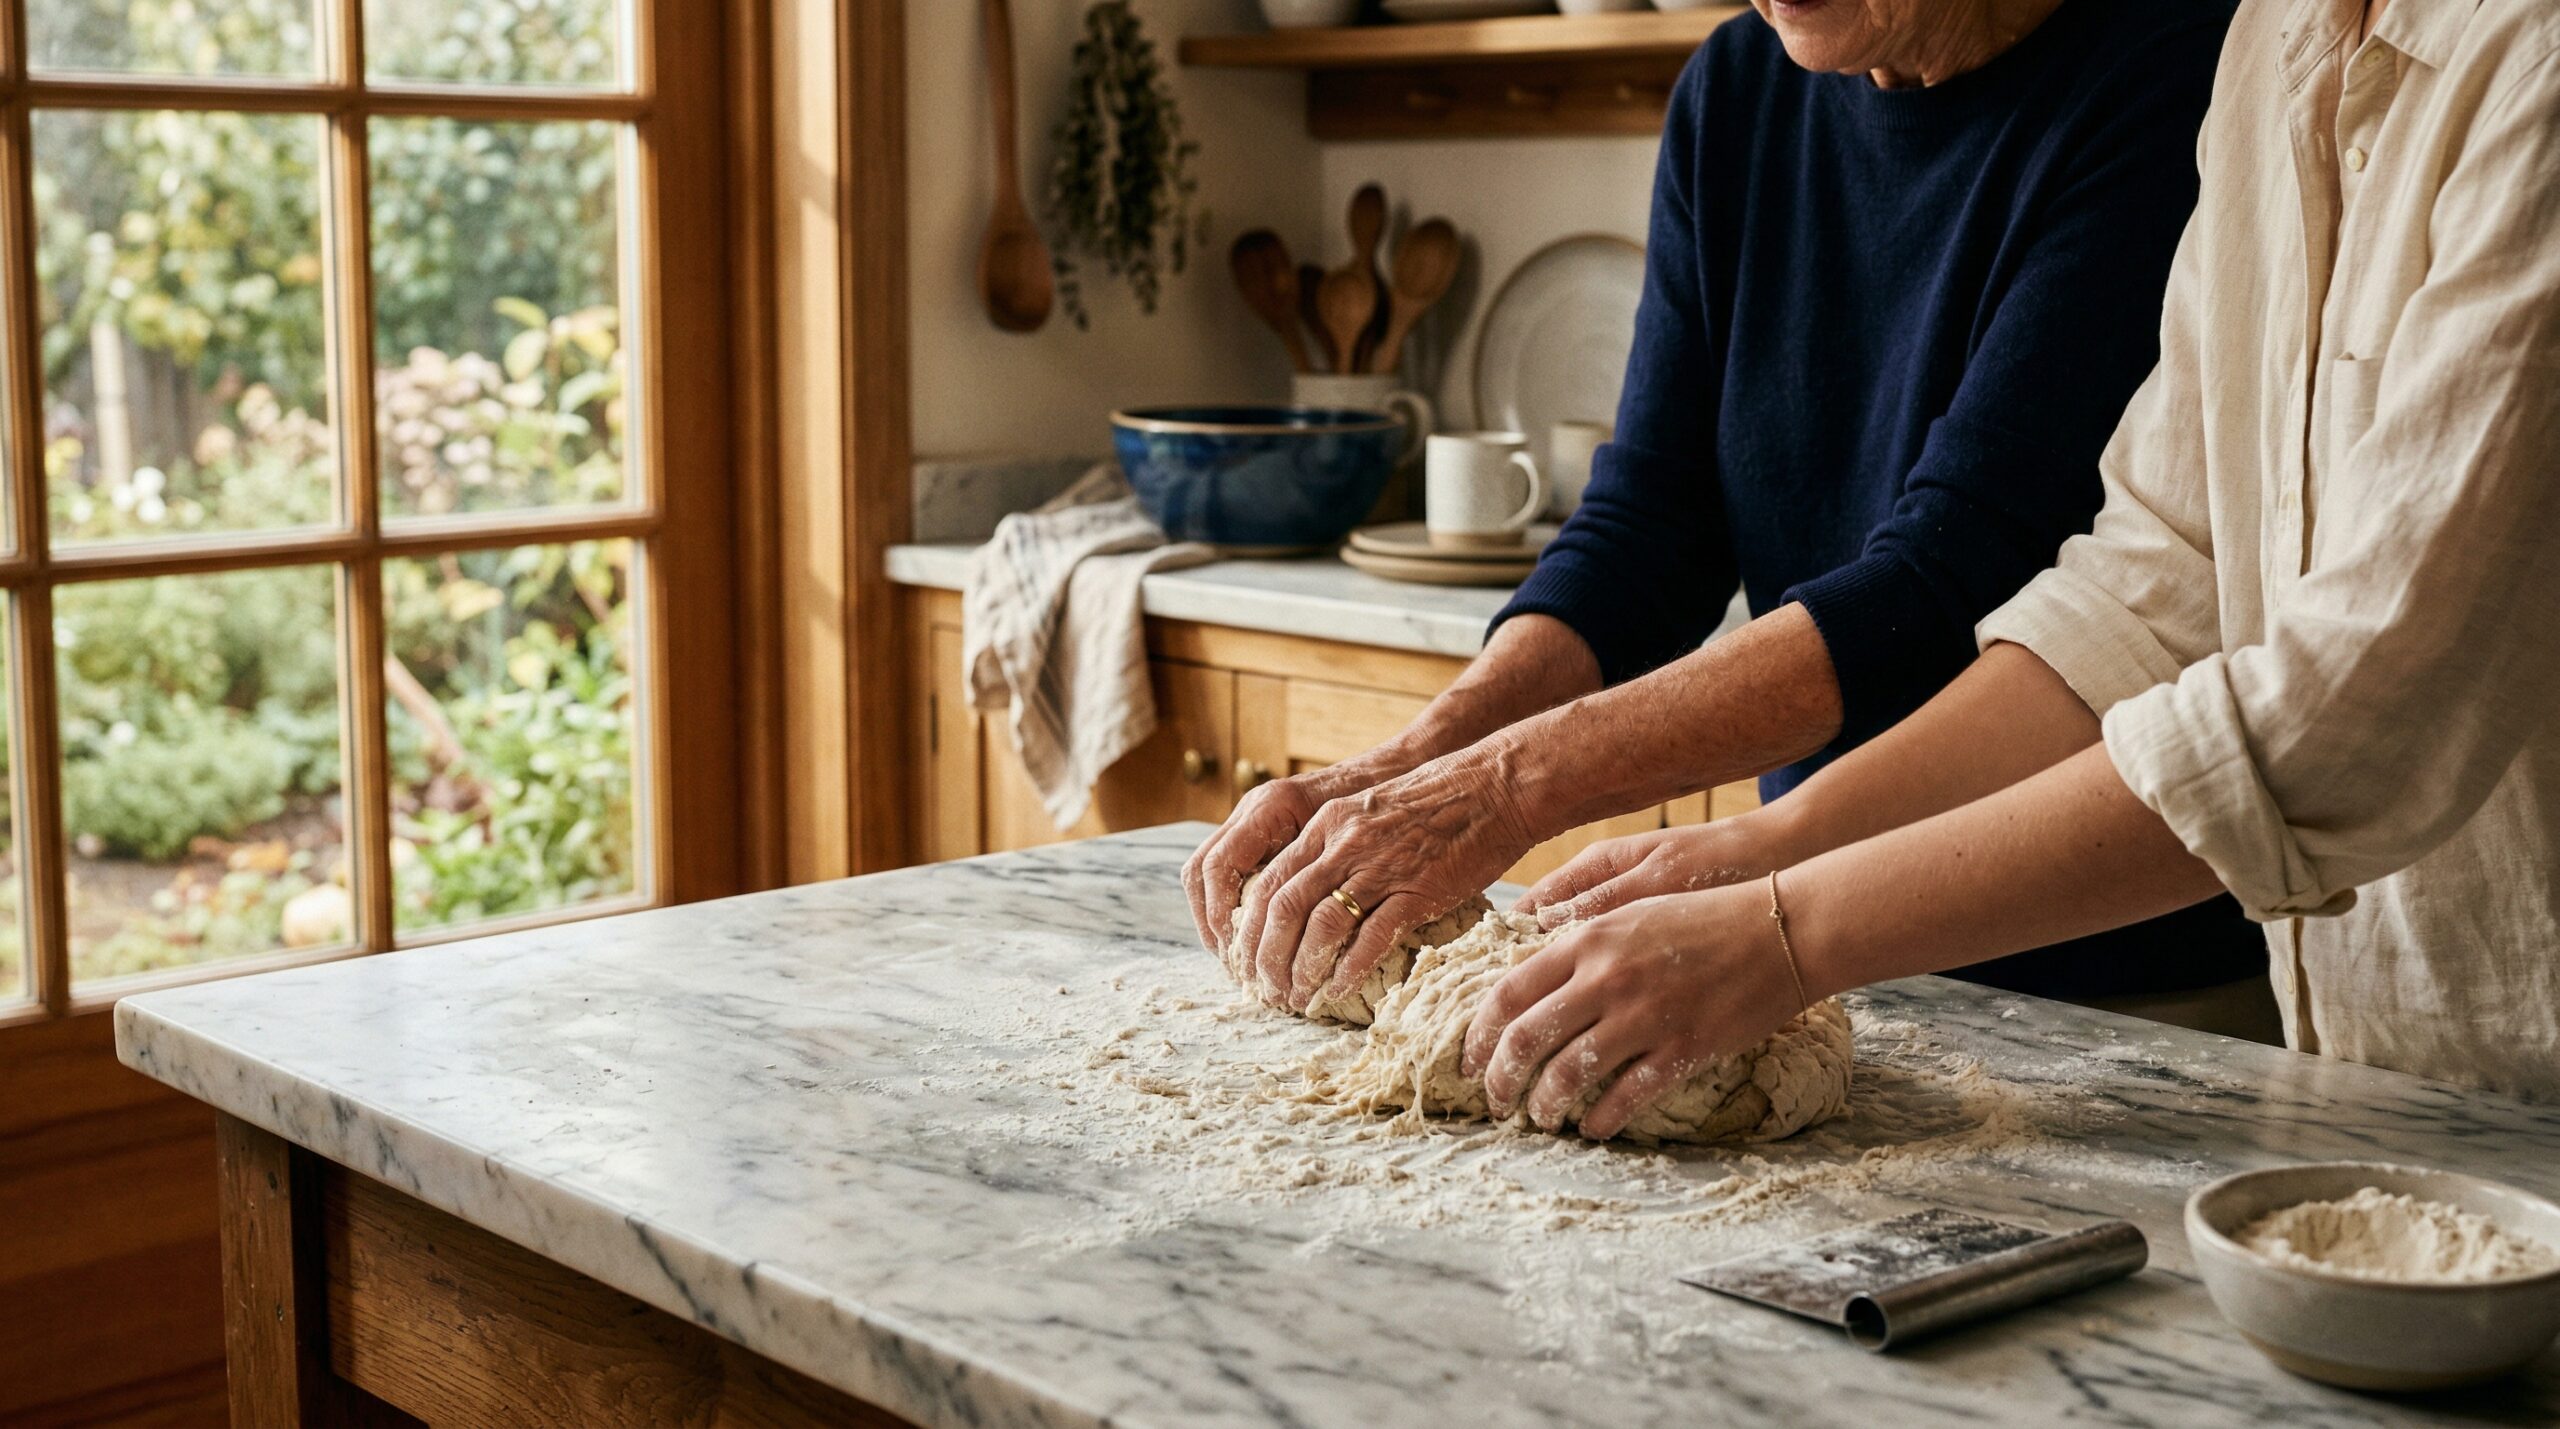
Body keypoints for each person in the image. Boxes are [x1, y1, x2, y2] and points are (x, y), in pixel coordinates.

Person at [1455, 0, 2560, 1137]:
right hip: (2379, 1071)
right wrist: (1761, 849)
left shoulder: (2527, 65)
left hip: (2522, 1060)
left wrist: (1786, 923)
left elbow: (2348, 714)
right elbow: (2145, 589)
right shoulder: (2268, 42)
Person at [1188, 0, 2272, 1030]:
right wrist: (1418, 763)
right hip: (1783, 943)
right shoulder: (1741, 87)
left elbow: (1947, 583)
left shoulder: (2184, 78)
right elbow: (1646, 527)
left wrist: (1512, 786)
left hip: (2107, 973)